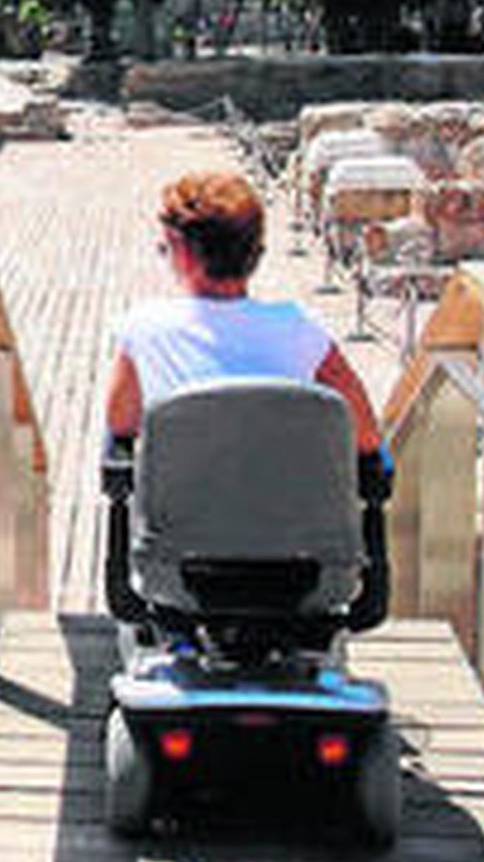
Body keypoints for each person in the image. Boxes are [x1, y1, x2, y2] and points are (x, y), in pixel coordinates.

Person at [104, 169, 392, 625]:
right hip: (307, 572)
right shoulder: (303, 330)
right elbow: (368, 439)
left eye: (165, 248)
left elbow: (120, 428)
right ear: (254, 254)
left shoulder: (143, 331)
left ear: (181, 252)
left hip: (179, 569)